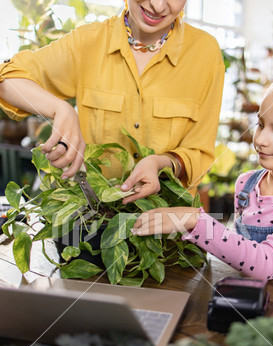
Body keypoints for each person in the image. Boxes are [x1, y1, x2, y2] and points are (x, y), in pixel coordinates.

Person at [0, 0, 225, 202]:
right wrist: (61, 109)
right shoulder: (88, 42)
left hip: (166, 232)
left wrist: (161, 163)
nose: (157, 5)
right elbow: (7, 78)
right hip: (88, 222)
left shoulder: (205, 53)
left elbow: (200, 152)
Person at [132, 70, 273, 280]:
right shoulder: (246, 184)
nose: (261, 140)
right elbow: (240, 249)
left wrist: (195, 219)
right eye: (260, 124)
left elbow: (268, 262)